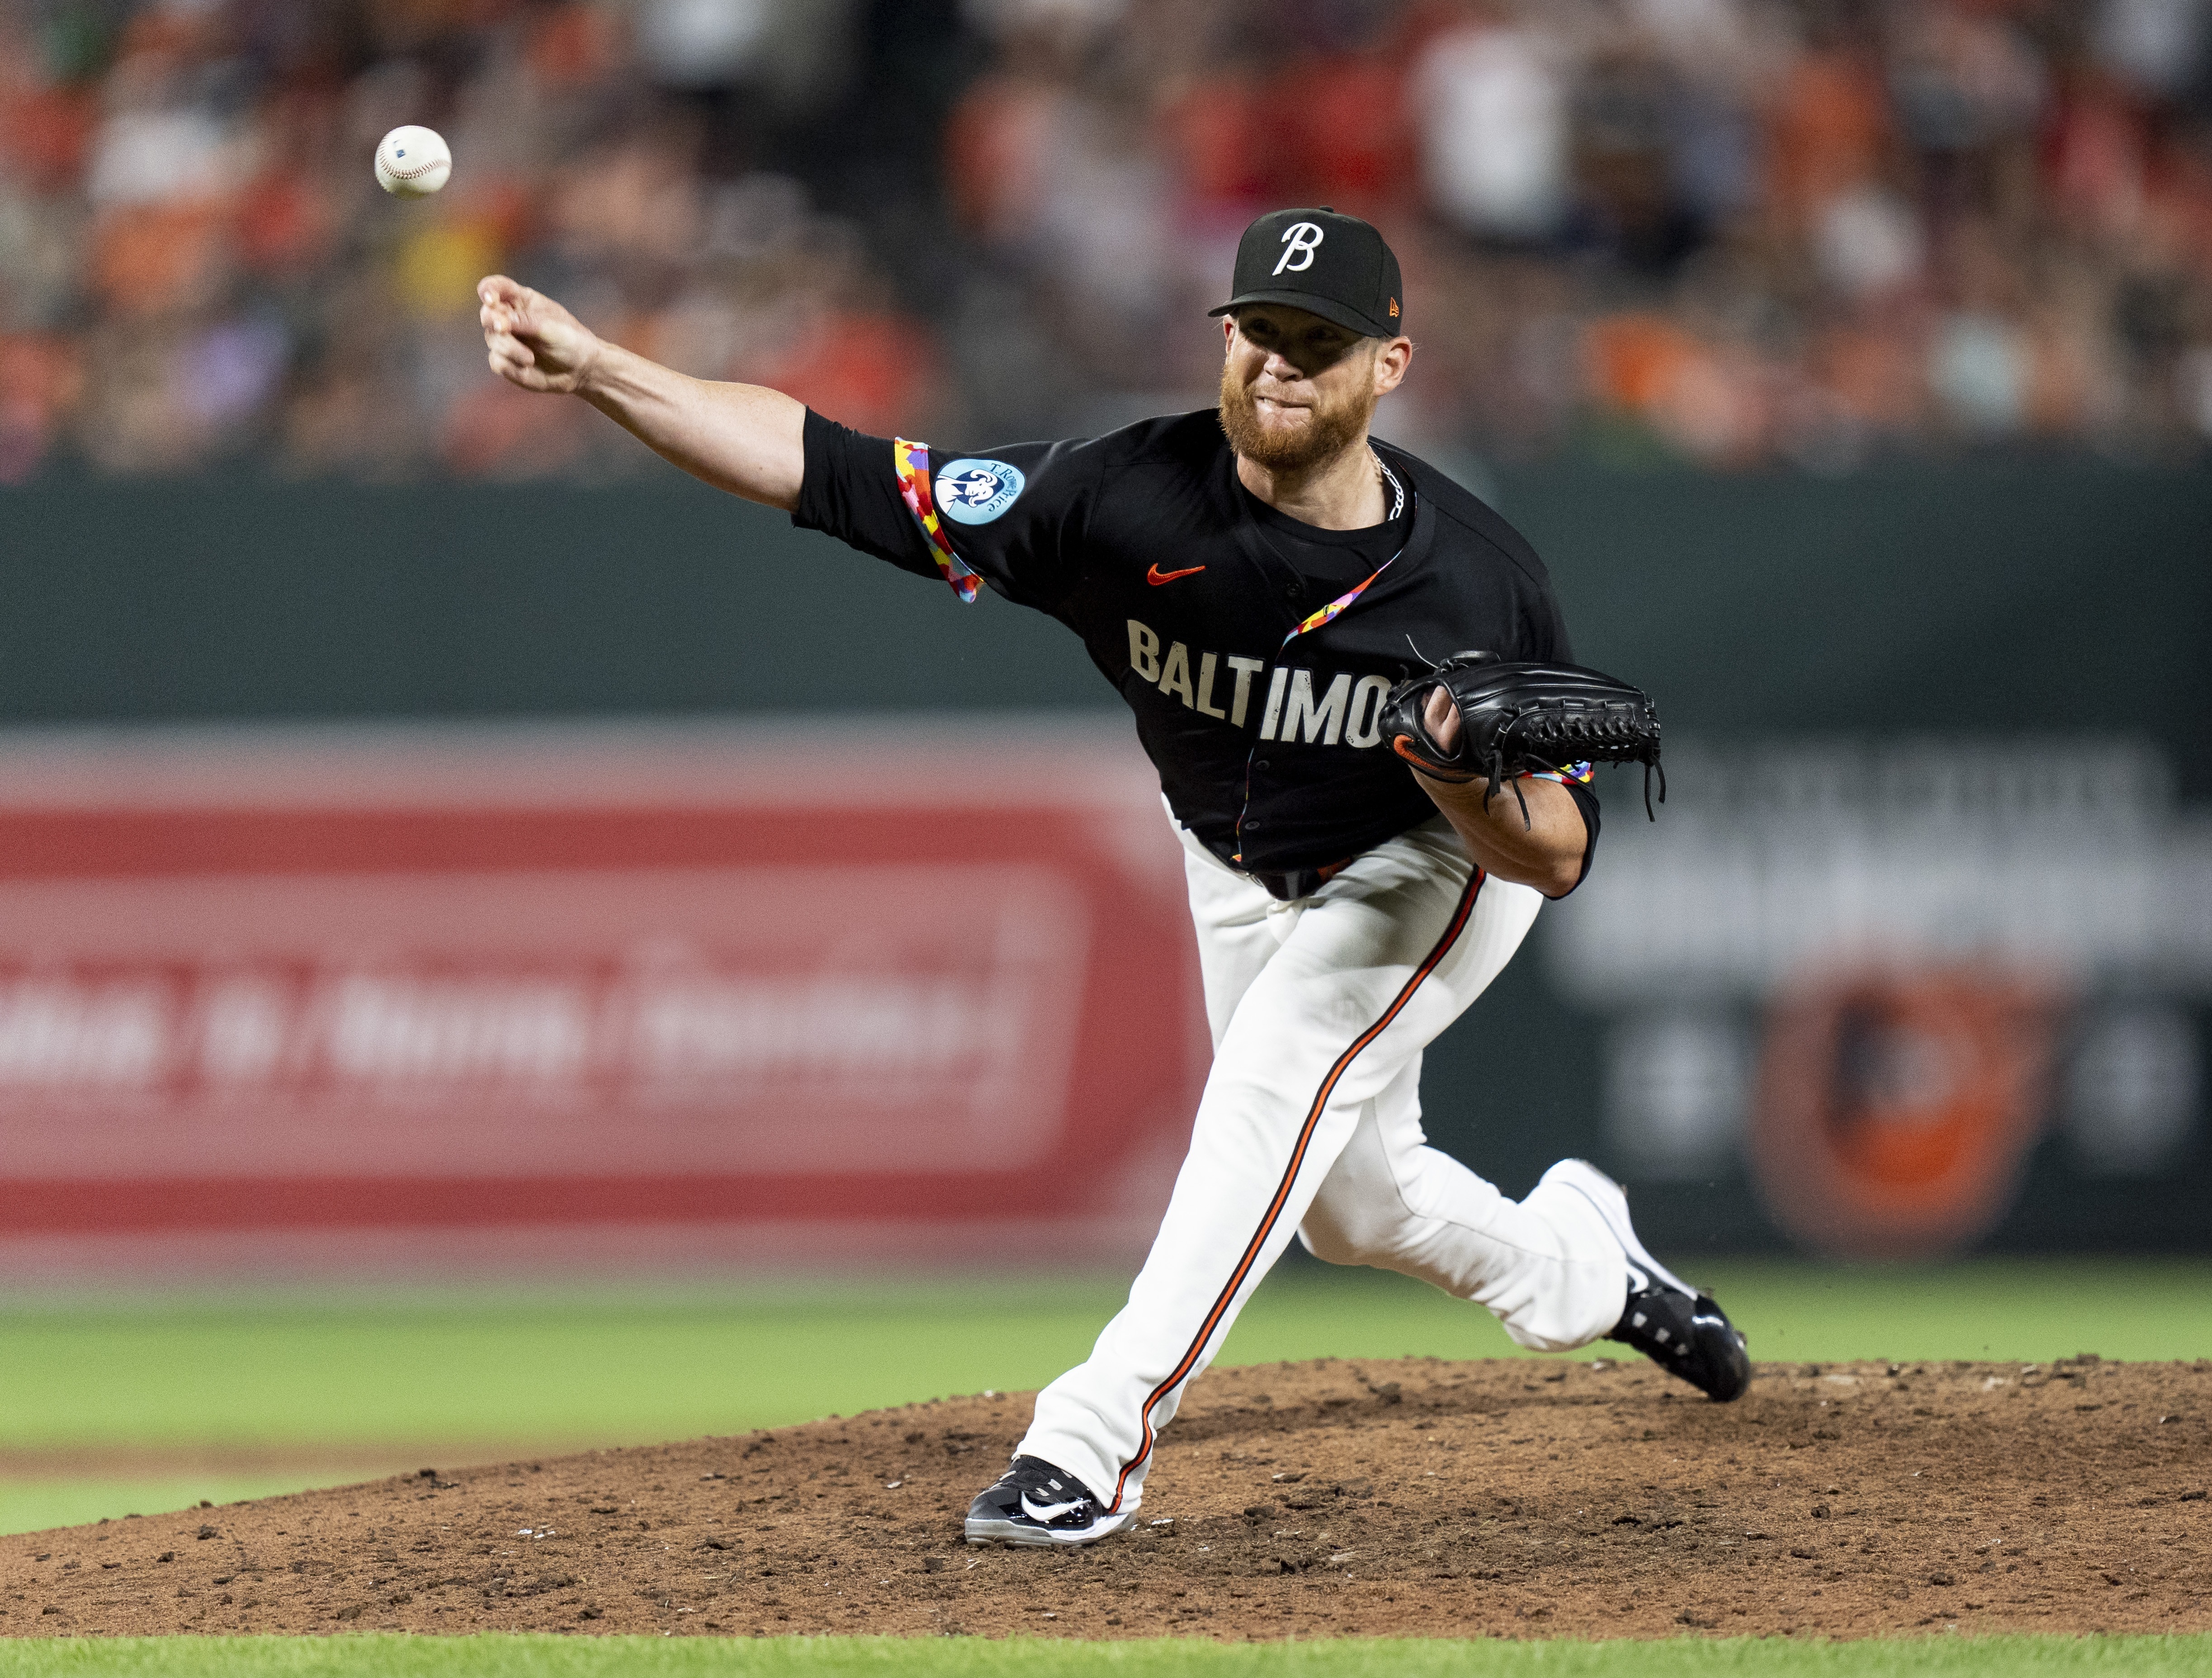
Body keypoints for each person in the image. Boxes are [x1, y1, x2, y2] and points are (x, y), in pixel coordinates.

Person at [476, 205, 1750, 1550]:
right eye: (1257, 331)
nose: (1276, 364)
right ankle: (1583, 1270)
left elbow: (1553, 858)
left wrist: (1453, 780)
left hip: (1429, 858)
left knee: (1273, 1078)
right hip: (1235, 860)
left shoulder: (1475, 586)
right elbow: (830, 467)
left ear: (1389, 365)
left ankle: (1089, 1442)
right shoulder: (1118, 497)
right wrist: (604, 370)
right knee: (1354, 1206)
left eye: (1316, 343)